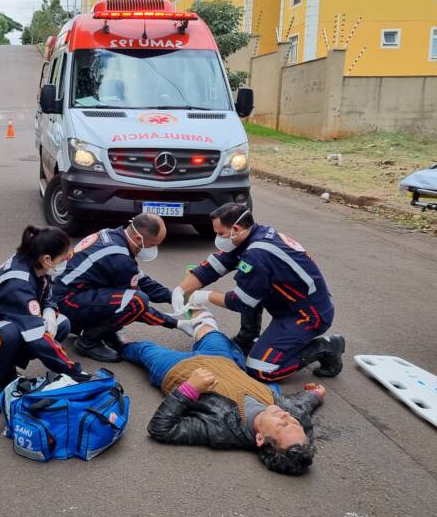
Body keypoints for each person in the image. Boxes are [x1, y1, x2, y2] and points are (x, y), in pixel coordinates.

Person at [122, 310, 324, 476]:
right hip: (221, 359)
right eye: (293, 422)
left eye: (282, 424)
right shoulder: (292, 416)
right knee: (209, 327)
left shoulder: (220, 430)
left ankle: (110, 338)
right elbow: (302, 410)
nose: (286, 416)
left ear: (260, 439)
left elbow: (160, 429)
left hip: (176, 369)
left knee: (141, 349)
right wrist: (316, 395)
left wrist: (189, 389)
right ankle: (194, 314)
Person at [173, 203, 345, 381]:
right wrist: (180, 290)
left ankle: (326, 347)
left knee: (261, 369)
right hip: (288, 304)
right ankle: (247, 339)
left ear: (236, 228)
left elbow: (240, 302)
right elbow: (214, 266)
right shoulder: (251, 235)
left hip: (308, 315)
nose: (218, 238)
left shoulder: (258, 254)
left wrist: (204, 296)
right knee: (252, 286)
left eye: (220, 233)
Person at [0, 225, 81, 414]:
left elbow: (46, 296)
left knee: (61, 324)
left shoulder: (36, 264)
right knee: (8, 334)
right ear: (48, 259)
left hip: (1, 319)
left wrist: (50, 312)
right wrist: (73, 371)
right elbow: (37, 337)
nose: (67, 261)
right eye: (65, 257)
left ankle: (5, 367)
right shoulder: (20, 282)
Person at [53, 214, 194, 363]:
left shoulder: (114, 236)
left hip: (67, 295)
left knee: (130, 298)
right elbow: (136, 306)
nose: (155, 249)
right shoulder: (119, 258)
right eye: (153, 245)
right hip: (66, 303)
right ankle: (88, 342)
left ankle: (104, 332)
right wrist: (176, 323)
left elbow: (141, 280)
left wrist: (173, 296)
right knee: (137, 301)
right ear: (139, 239)